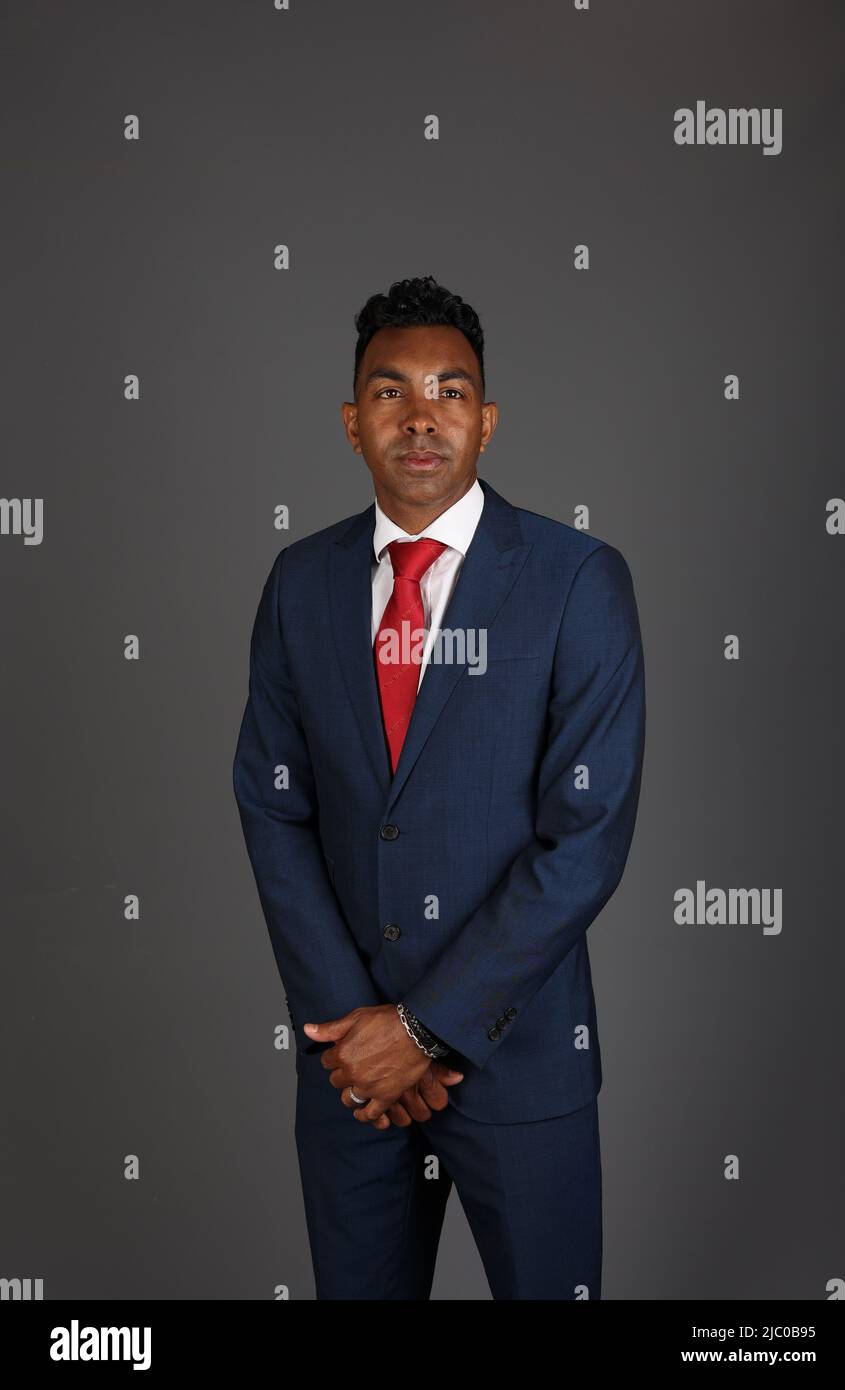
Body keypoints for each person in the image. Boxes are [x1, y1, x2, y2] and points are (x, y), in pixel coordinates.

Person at [232, 274, 646, 1299]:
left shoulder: (574, 581)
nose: (419, 418)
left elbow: (584, 835)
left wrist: (421, 1031)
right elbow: (273, 803)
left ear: (486, 420)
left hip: (520, 1066)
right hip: (352, 1084)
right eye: (389, 392)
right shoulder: (301, 583)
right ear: (350, 422)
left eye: (448, 392)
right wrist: (352, 1030)